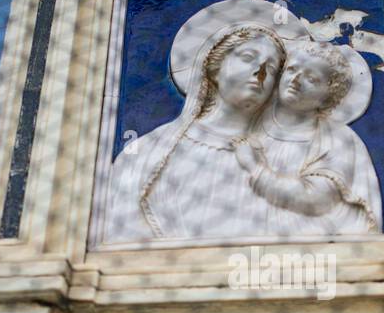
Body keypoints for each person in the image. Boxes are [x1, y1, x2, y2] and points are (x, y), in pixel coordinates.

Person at [102, 23, 285, 243]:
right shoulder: (149, 151)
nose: (261, 72)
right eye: (247, 57)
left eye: (272, 68)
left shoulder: (282, 157)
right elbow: (119, 224)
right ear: (215, 67)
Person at [234, 40, 381, 238]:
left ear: (329, 94)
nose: (295, 80)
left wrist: (255, 168)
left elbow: (318, 199)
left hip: (304, 243)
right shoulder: (248, 119)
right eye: (292, 69)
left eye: (311, 78)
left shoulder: (338, 139)